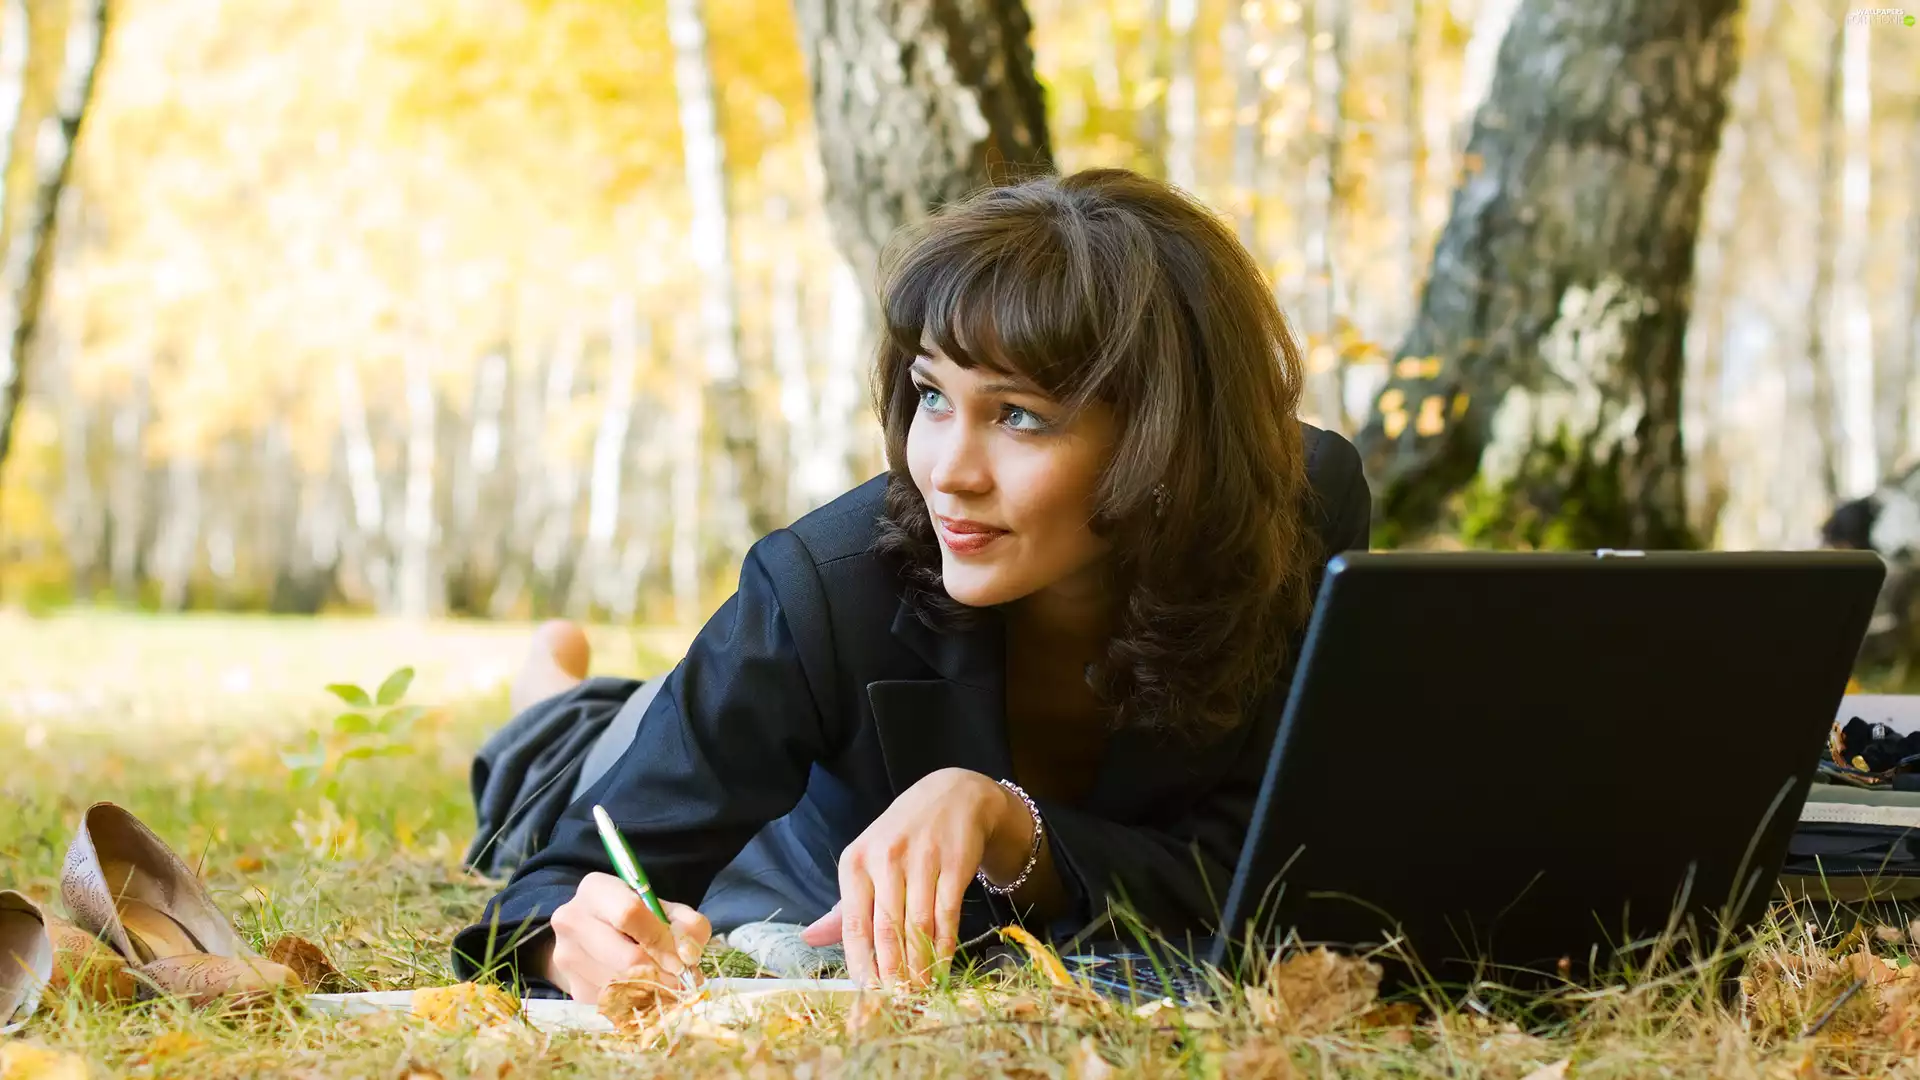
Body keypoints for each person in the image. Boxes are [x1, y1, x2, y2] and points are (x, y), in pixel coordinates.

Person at [451, 167, 1373, 1003]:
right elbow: (568, 876)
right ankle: (551, 698)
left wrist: (1013, 824)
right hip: (783, 805)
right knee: (573, 768)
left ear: (1164, 441)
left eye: (1017, 416)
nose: (947, 472)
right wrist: (564, 943)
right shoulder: (821, 585)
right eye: (933, 395)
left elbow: (1261, 868)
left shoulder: (1298, 515)